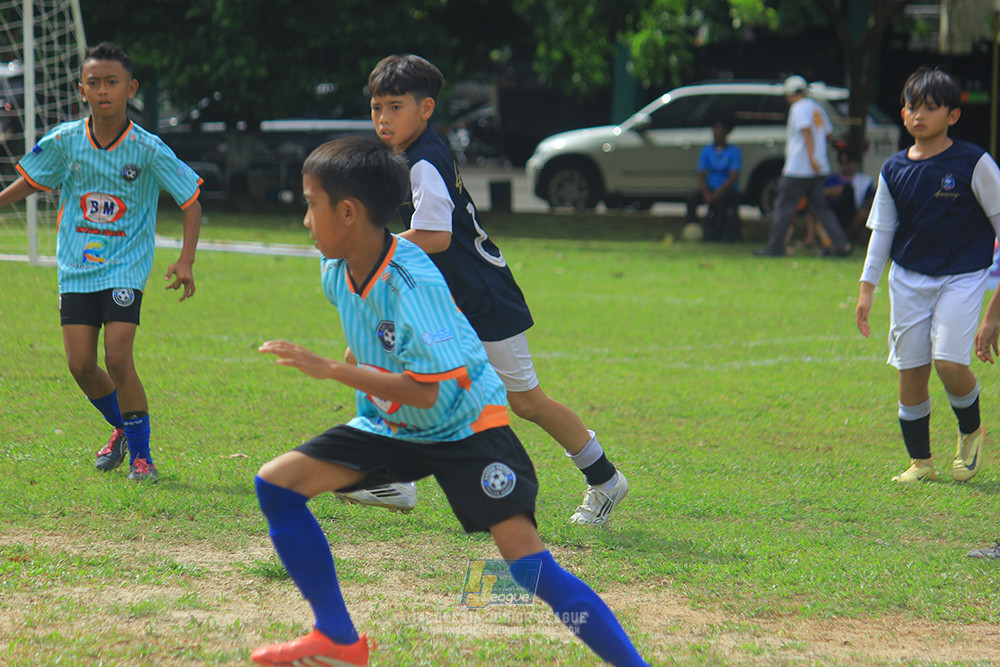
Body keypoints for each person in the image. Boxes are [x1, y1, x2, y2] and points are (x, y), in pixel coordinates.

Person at [250, 136, 648, 666]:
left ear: (347, 212)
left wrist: (334, 370)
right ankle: (338, 639)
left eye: (310, 204)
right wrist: (358, 368)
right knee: (277, 485)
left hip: (467, 428)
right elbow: (372, 334)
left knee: (529, 570)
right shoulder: (334, 268)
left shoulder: (412, 281)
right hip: (397, 428)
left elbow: (429, 388)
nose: (304, 219)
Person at [339, 54, 628, 526]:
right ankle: (395, 476)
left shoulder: (423, 161)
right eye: (376, 108)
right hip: (442, 296)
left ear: (426, 108)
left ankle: (606, 479)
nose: (383, 119)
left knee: (527, 402)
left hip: (481, 296)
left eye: (395, 107)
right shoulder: (410, 156)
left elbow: (436, 236)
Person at [0, 42, 202, 482]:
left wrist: (186, 260)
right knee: (80, 365)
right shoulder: (66, 141)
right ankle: (122, 427)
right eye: (94, 83)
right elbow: (31, 181)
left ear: (131, 88)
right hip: (76, 267)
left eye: (112, 82)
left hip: (126, 267)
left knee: (118, 356)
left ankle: (142, 458)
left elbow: (190, 199)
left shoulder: (147, 148)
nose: (103, 90)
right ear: (82, 90)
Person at [855, 66, 1000, 485]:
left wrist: (994, 314)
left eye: (931, 108)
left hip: (962, 277)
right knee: (911, 370)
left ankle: (971, 430)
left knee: (949, 363)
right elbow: (883, 232)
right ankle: (920, 462)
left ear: (952, 115)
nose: (919, 115)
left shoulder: (975, 162)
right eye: (912, 107)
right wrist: (866, 289)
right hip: (907, 279)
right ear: (902, 113)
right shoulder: (893, 169)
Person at [754, 75, 852, 258]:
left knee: (784, 207)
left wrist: (811, 157)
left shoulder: (798, 108)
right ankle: (842, 245)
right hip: (819, 168)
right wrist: (818, 157)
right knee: (822, 208)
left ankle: (775, 247)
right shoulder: (818, 108)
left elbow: (806, 131)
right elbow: (829, 135)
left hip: (799, 168)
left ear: (791, 94)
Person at [686, 116, 742, 242]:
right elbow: (701, 174)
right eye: (715, 128)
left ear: (727, 132)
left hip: (726, 189)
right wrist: (706, 193)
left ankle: (716, 233)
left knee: (721, 201)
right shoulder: (707, 150)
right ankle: (692, 228)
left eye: (720, 129)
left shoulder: (734, 151)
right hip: (710, 187)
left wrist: (716, 194)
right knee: (691, 199)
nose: (716, 132)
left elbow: (733, 176)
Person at [824, 150, 875, 244]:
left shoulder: (864, 181)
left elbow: (871, 200)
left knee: (864, 212)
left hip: (854, 212)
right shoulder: (831, 180)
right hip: (833, 211)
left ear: (855, 163)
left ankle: (844, 237)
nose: (845, 166)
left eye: (848, 161)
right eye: (842, 162)